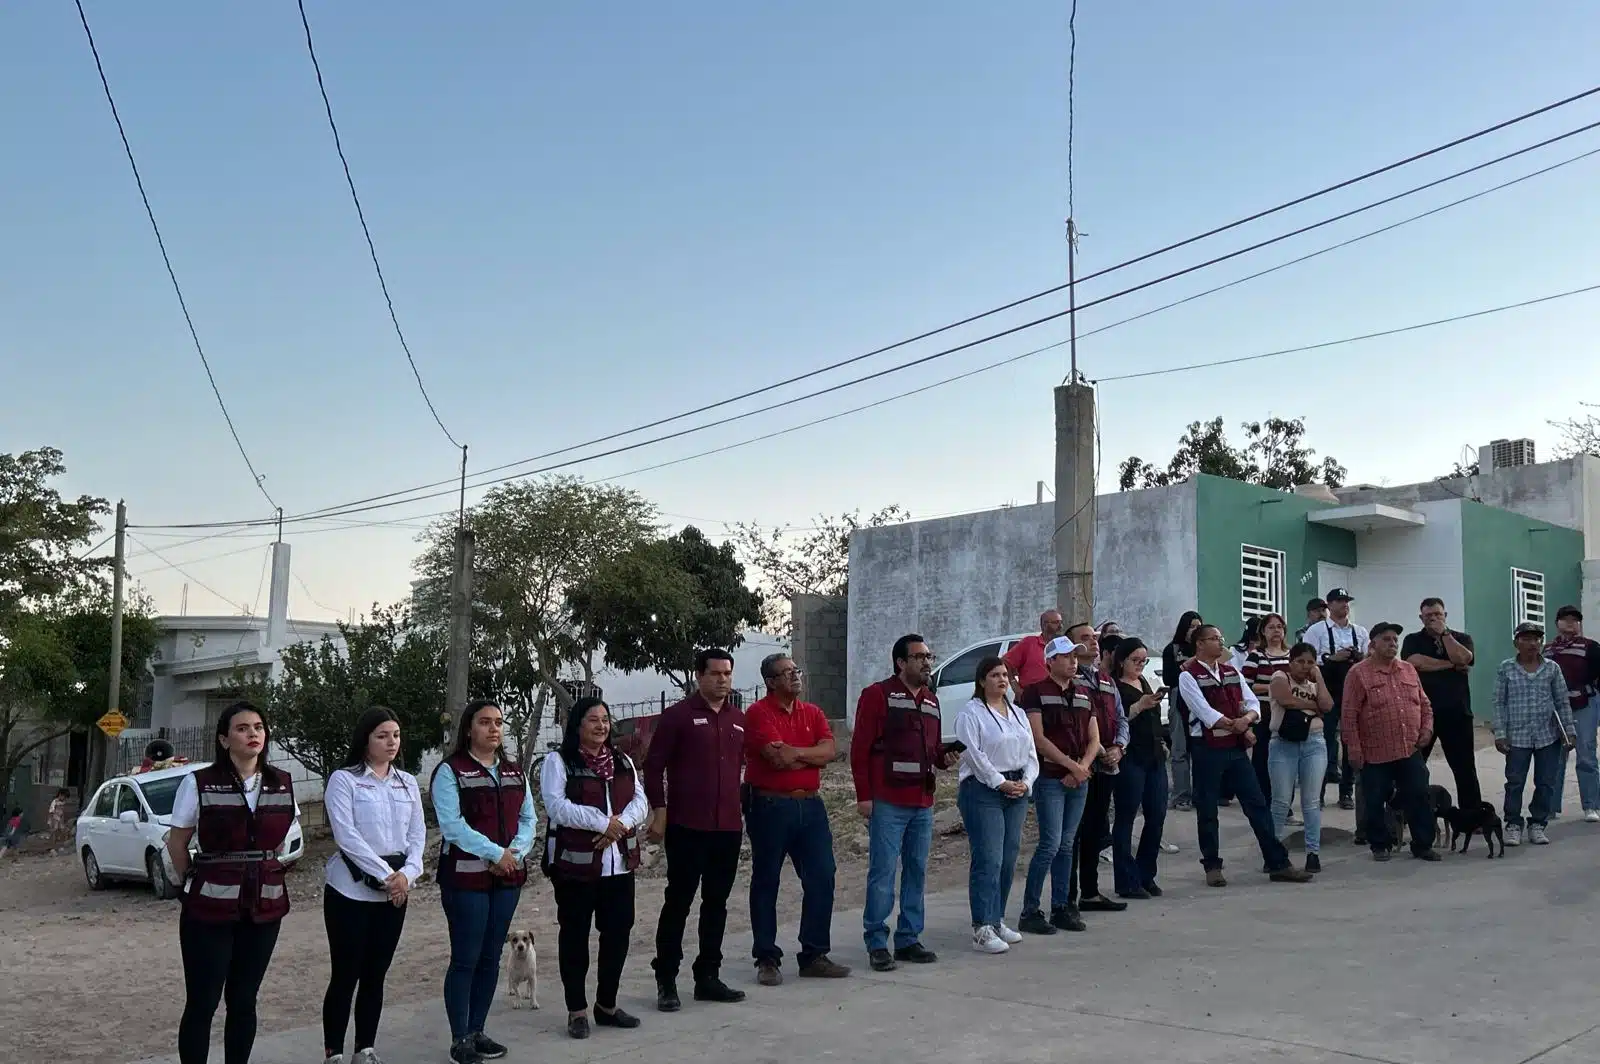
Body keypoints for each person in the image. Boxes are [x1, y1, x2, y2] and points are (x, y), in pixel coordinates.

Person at [165, 701, 300, 1064]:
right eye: (243, 728)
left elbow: (286, 840)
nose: (253, 734)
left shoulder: (282, 782)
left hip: (265, 907)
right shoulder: (199, 783)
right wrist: (186, 884)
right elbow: (177, 842)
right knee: (204, 1001)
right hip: (208, 909)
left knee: (244, 1000)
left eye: (258, 727)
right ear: (224, 739)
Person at [431, 700, 535, 1064]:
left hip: (507, 880)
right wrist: (495, 853)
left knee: (491, 957)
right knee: (466, 959)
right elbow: (452, 826)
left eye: (499, 723)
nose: (494, 729)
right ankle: (460, 1039)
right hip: (466, 882)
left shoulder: (514, 772)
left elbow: (529, 819)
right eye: (485, 722)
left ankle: (477, 1030)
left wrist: (515, 854)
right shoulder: (450, 772)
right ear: (469, 729)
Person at [321, 708, 426, 1064]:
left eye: (395, 735)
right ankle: (333, 1051)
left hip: (395, 892)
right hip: (350, 890)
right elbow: (347, 836)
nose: (391, 742)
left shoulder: (408, 782)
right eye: (382, 735)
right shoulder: (345, 780)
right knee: (346, 973)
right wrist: (386, 875)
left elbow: (417, 838)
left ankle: (365, 1048)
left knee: (375, 974)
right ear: (366, 739)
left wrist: (406, 876)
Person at [644, 649, 747, 1009]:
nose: (722, 680)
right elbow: (653, 767)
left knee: (716, 904)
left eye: (727, 674)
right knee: (679, 903)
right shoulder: (678, 717)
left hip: (728, 827)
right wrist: (659, 811)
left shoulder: (738, 719)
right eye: (716, 674)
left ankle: (708, 977)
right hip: (687, 826)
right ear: (699, 676)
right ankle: (666, 979)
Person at [540, 697, 649, 1039]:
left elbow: (640, 799)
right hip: (576, 866)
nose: (601, 726)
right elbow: (557, 807)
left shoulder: (622, 760)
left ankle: (607, 1005)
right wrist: (603, 824)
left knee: (617, 935)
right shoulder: (559, 761)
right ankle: (577, 1010)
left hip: (618, 866)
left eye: (605, 719)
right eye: (593, 720)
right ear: (577, 725)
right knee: (575, 937)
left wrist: (621, 825)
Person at [850, 634, 957, 971]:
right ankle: (877, 942)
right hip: (888, 801)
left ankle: (909, 938)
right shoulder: (877, 695)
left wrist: (946, 757)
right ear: (901, 662)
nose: (927, 662)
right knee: (882, 873)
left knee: (916, 870)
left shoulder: (931, 700)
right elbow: (860, 750)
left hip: (922, 801)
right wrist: (864, 796)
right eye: (920, 657)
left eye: (929, 655)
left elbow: (934, 749)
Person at [1177, 625, 1312, 886]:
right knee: (1207, 809)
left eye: (1220, 638)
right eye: (1214, 639)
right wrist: (1235, 724)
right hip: (1207, 749)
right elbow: (1203, 712)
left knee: (1257, 805)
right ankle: (1212, 866)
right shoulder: (1188, 675)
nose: (1220, 643)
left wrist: (1247, 720)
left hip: (1235, 747)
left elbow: (1252, 702)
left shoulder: (1230, 670)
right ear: (1200, 644)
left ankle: (1277, 863)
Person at [743, 654, 849, 983]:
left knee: (822, 876)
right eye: (786, 673)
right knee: (766, 880)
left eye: (796, 671)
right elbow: (776, 760)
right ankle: (767, 958)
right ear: (771, 682)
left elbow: (830, 752)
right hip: (769, 806)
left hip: (811, 807)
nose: (795, 676)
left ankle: (814, 954)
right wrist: (810, 755)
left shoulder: (813, 712)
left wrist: (799, 753)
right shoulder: (758, 713)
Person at [955, 656, 1038, 954]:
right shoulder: (971, 713)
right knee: (988, 856)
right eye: (994, 675)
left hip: (1016, 788)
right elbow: (973, 755)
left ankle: (997, 917)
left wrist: (1026, 782)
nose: (1002, 680)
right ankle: (982, 927)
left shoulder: (1017, 713)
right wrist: (998, 781)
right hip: (983, 789)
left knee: (1008, 856)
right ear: (981, 681)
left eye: (1005, 675)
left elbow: (1031, 753)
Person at [1018, 636, 1099, 933]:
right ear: (1050, 661)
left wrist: (1082, 768)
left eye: (1075, 656)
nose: (1073, 660)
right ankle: (1030, 910)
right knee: (1050, 844)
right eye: (1065, 656)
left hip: (1078, 777)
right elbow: (1038, 739)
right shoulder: (1034, 693)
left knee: (1066, 845)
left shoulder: (1083, 693)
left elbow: (1095, 738)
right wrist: (1072, 766)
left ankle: (1061, 907)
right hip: (1051, 777)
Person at [1343, 623, 1441, 862]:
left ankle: (1422, 844)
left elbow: (1425, 705)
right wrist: (1353, 748)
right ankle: (1380, 844)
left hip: (1409, 748)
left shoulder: (1408, 669)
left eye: (1395, 640)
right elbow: (1349, 714)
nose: (1393, 644)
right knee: (1375, 799)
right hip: (1375, 751)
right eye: (1386, 639)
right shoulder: (1358, 673)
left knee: (1419, 794)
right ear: (1372, 644)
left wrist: (1427, 728)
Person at [1495, 622, 1578, 846]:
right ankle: (1513, 824)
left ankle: (1537, 824)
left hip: (1547, 736)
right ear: (1516, 642)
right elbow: (1499, 703)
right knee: (1514, 782)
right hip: (1517, 737)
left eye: (1536, 639)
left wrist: (1569, 732)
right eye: (1526, 639)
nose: (1532, 644)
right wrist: (1500, 733)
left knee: (1545, 783)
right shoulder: (1506, 668)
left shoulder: (1552, 668)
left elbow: (1562, 702)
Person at [1066, 624, 1128, 916]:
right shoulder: (1069, 681)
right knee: (1073, 834)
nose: (1093, 642)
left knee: (1094, 831)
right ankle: (1066, 897)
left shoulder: (1106, 680)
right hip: (1080, 766)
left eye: (1094, 638)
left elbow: (1121, 718)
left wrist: (1119, 748)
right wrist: (1100, 751)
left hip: (1107, 767)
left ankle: (1090, 893)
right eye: (1084, 639)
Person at [1401, 598, 1480, 812]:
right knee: (1415, 765)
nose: (1434, 619)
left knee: (1464, 767)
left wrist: (1445, 635)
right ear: (1421, 618)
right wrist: (1452, 665)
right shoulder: (1413, 639)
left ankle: (1471, 815)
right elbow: (1415, 662)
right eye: (1429, 616)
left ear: (1445, 615)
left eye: (1438, 614)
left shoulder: (1461, 638)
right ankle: (1409, 813)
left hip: (1457, 711)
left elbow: (1464, 657)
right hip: (1422, 713)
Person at [1109, 638, 1169, 898]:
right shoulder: (1115, 687)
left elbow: (1154, 719)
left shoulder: (1143, 681)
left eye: (1143, 661)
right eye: (1135, 661)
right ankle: (1126, 879)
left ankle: (1146, 873)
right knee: (1126, 816)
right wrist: (1140, 706)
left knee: (1156, 815)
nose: (1139, 666)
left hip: (1153, 755)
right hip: (1131, 756)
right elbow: (1117, 720)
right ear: (1121, 661)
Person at [1266, 644, 1333, 873]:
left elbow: (1328, 705)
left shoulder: (1314, 683)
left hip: (1314, 742)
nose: (1305, 667)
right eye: (1300, 661)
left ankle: (1312, 853)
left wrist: (1319, 678)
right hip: (1284, 743)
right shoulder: (1279, 676)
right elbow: (1286, 700)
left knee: (1311, 802)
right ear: (1291, 661)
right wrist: (1312, 705)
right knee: (1281, 802)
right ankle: (1273, 854)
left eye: (1310, 662)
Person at [1305, 589, 1368, 812]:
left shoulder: (1360, 631)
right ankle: (1319, 793)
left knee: (1351, 740)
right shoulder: (1316, 631)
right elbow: (1307, 663)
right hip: (1328, 689)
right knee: (1325, 742)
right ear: (1329, 605)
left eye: (1346, 601)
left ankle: (1346, 792)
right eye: (1340, 601)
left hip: (1352, 690)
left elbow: (1368, 660)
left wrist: (1357, 658)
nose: (1344, 605)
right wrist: (1331, 658)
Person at [1544, 605, 1600, 822]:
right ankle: (1549, 807)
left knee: (1586, 754)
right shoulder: (1547, 650)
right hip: (1556, 708)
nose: (1570, 623)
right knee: (1555, 757)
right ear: (1557, 623)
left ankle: (1591, 806)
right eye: (1565, 619)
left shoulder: (1591, 647)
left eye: (1575, 620)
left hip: (1585, 704)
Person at [1243, 614, 1293, 805]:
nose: (1276, 631)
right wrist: (1274, 687)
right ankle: (1263, 801)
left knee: (1287, 761)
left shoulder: (1292, 656)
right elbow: (1245, 686)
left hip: (1289, 713)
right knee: (1263, 760)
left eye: (1279, 627)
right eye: (1271, 627)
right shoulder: (1256, 656)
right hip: (1265, 714)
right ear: (1263, 631)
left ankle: (1284, 805)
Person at [1162, 611, 1204, 811]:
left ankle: (1201, 793)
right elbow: (1168, 680)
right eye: (1192, 626)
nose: (1196, 630)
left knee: (1202, 751)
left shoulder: (1204, 649)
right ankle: (1181, 795)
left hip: (1202, 705)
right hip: (1179, 704)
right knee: (1180, 751)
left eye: (1199, 626)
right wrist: (1187, 665)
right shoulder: (1173, 649)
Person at [1005, 609, 1064, 695]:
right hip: (1031, 700)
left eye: (1061, 622)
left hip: (1058, 699)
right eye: (1056, 622)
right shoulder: (1029, 643)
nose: (1061, 626)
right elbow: (1005, 664)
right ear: (1044, 625)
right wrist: (1016, 688)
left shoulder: (1065, 646)